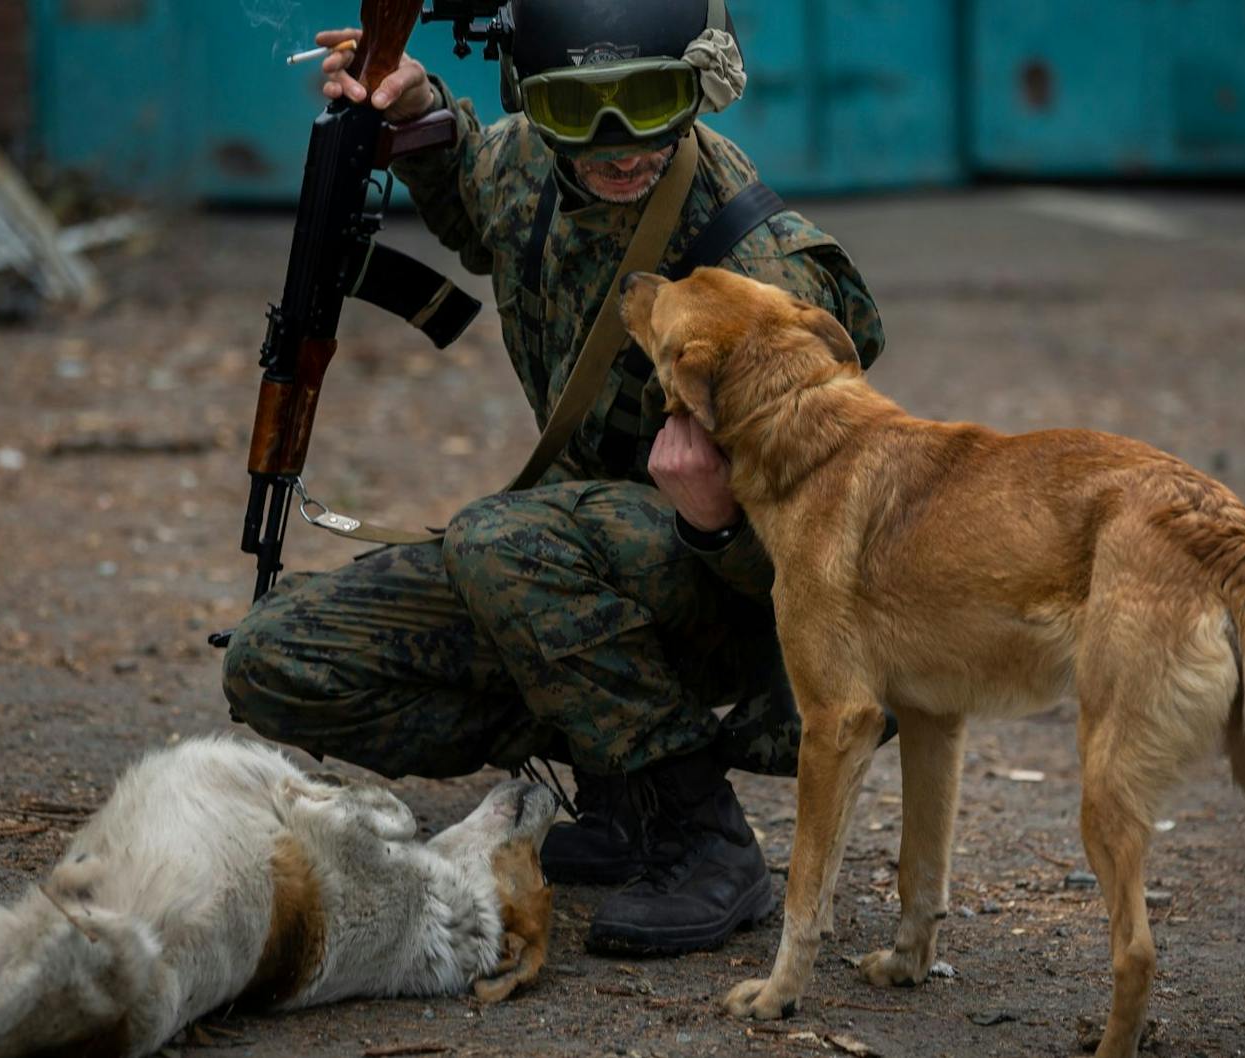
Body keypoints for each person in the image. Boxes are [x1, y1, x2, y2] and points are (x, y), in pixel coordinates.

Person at [221, 0, 885, 956]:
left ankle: (698, 833)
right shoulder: (528, 163)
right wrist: (417, 104)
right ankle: (617, 785)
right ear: (529, 100)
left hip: (749, 605)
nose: (621, 146)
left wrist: (713, 521)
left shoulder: (763, 278)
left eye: (650, 103)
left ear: (701, 85)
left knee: (502, 538)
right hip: (564, 572)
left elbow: (839, 562)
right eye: (579, 110)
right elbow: (474, 197)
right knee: (277, 658)